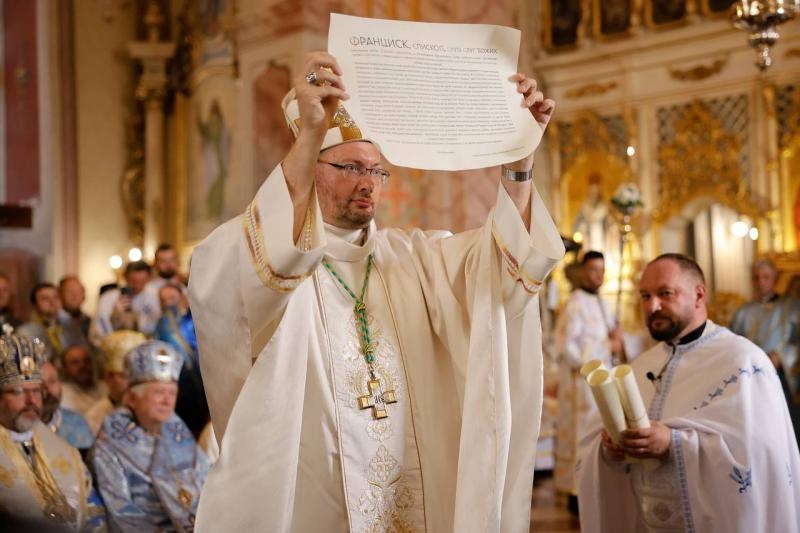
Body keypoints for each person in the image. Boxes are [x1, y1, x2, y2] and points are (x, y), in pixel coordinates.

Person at [188, 51, 564, 531]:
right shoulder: (275, 258)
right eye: (348, 168)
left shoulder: (416, 258)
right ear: (311, 168)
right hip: (315, 497)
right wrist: (307, 135)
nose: (368, 183)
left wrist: (519, 162)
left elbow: (504, 276)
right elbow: (234, 276)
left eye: (376, 170)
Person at [577, 253, 800, 532]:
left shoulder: (744, 362)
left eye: (665, 293)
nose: (652, 305)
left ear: (698, 295)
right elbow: (594, 440)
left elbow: (763, 457)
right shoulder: (641, 365)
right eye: (645, 296)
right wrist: (609, 446)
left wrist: (673, 442)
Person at [91, 340, 210, 531]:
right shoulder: (109, 444)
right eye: (159, 392)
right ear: (132, 398)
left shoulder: (176, 428)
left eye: (172, 392)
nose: (167, 401)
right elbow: (120, 510)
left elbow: (207, 477)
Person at [0, 326, 105, 530]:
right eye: (19, 391)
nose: (31, 401)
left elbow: (95, 514)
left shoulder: (66, 452)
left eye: (37, 391)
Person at [553, 250, 624, 514]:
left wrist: (617, 341)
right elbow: (566, 346)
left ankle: (597, 486)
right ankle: (576, 491)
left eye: (602, 270)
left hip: (604, 384)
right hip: (583, 386)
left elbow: (616, 343)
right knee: (582, 436)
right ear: (584, 271)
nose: (599, 275)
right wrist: (608, 345)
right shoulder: (575, 303)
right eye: (594, 270)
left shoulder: (605, 305)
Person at [730, 259, 800, 404]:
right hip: (750, 374)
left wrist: (781, 356)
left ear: (775, 278)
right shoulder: (742, 312)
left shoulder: (792, 307)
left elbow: (797, 340)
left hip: (781, 374)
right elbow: (733, 344)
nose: (761, 282)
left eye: (766, 277)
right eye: (756, 278)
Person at [155, 283, 209, 437]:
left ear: (182, 297)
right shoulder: (161, 325)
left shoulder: (194, 317)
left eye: (172, 298)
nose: (168, 303)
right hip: (181, 386)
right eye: (163, 300)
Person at [85, 329, 146, 435]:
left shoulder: (153, 411)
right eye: (124, 376)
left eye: (137, 378)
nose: (132, 384)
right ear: (108, 378)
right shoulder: (94, 418)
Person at [90, 260, 158, 344]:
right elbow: (100, 328)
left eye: (142, 281)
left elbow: (155, 324)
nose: (137, 286)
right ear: (125, 278)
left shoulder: (153, 296)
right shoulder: (109, 297)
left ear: (149, 278)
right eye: (133, 281)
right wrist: (115, 316)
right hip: (116, 347)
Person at [17, 283, 87, 361]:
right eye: (45, 298)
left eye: (55, 297)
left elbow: (84, 353)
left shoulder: (72, 328)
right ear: (35, 305)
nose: (52, 302)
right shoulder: (26, 332)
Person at [39, 360, 94, 455]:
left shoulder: (77, 423)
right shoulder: (20, 426)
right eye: (39, 383)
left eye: (52, 381)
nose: (47, 389)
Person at [59, 345, 108, 415]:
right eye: (75, 362)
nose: (82, 366)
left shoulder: (105, 387)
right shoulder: (63, 395)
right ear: (65, 369)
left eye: (86, 361)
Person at [58, 275, 92, 343]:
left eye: (78, 291)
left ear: (84, 295)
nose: (74, 295)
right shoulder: (53, 321)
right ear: (60, 294)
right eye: (69, 291)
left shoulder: (90, 322)